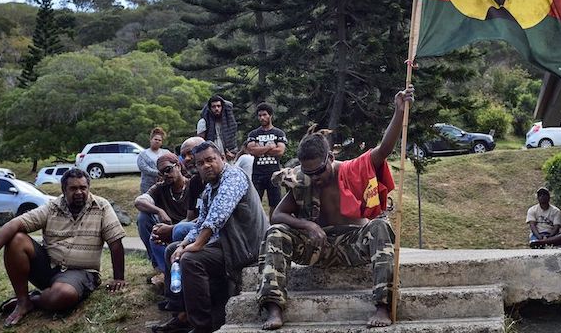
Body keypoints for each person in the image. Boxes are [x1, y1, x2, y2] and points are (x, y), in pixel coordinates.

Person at [257, 86, 414, 330]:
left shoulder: (350, 169)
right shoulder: (302, 179)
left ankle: (383, 306)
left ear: (330, 158)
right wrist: (307, 224)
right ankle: (274, 307)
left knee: (381, 226)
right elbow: (277, 214)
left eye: (319, 171)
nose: (315, 178)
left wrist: (399, 112)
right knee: (275, 232)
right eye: (309, 173)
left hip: (353, 243)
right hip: (317, 247)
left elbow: (383, 150)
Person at [0, 169, 126, 328]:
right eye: (73, 188)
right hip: (49, 267)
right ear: (64, 190)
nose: (79, 192)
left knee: (63, 296)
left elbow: (115, 242)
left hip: (80, 272)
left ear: (89, 188)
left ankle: (33, 300)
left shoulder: (102, 206)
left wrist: (118, 277)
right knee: (16, 239)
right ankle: (22, 302)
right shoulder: (52, 207)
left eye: (83, 188)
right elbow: (14, 224)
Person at [153, 141, 268, 333]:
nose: (206, 166)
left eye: (210, 160)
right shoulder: (210, 188)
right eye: (200, 163)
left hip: (248, 247)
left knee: (191, 260)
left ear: (222, 158)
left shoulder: (233, 177)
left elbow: (218, 215)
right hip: (228, 244)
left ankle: (202, 326)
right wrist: (183, 244)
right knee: (173, 250)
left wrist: (197, 245)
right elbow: (200, 223)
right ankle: (181, 315)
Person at [135, 152, 197, 286]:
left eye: (168, 169)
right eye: (162, 173)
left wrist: (173, 228)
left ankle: (171, 274)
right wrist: (159, 211)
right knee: (143, 218)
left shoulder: (193, 184)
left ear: (179, 166)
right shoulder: (161, 187)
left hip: (188, 229)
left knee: (179, 230)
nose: (166, 175)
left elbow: (200, 218)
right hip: (168, 229)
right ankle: (161, 269)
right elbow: (139, 201)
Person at [246, 103, 287, 218]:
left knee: (275, 203)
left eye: (264, 115)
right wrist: (269, 147)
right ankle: (258, 226)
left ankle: (273, 226)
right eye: (259, 115)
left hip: (274, 173)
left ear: (270, 116)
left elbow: (280, 151)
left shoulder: (279, 133)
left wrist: (260, 149)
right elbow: (251, 150)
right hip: (258, 174)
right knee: (255, 203)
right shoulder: (254, 133)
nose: (262, 118)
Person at [198, 95, 238, 161]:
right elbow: (200, 142)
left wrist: (233, 154)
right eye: (213, 107)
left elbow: (233, 140)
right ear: (210, 108)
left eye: (218, 106)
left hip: (228, 156)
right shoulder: (203, 122)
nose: (216, 109)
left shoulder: (229, 122)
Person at [138, 127, 171, 194]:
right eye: (155, 139)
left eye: (159, 140)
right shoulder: (143, 154)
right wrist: (157, 173)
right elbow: (143, 168)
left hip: (163, 185)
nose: (157, 141)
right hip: (147, 186)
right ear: (151, 140)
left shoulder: (166, 153)